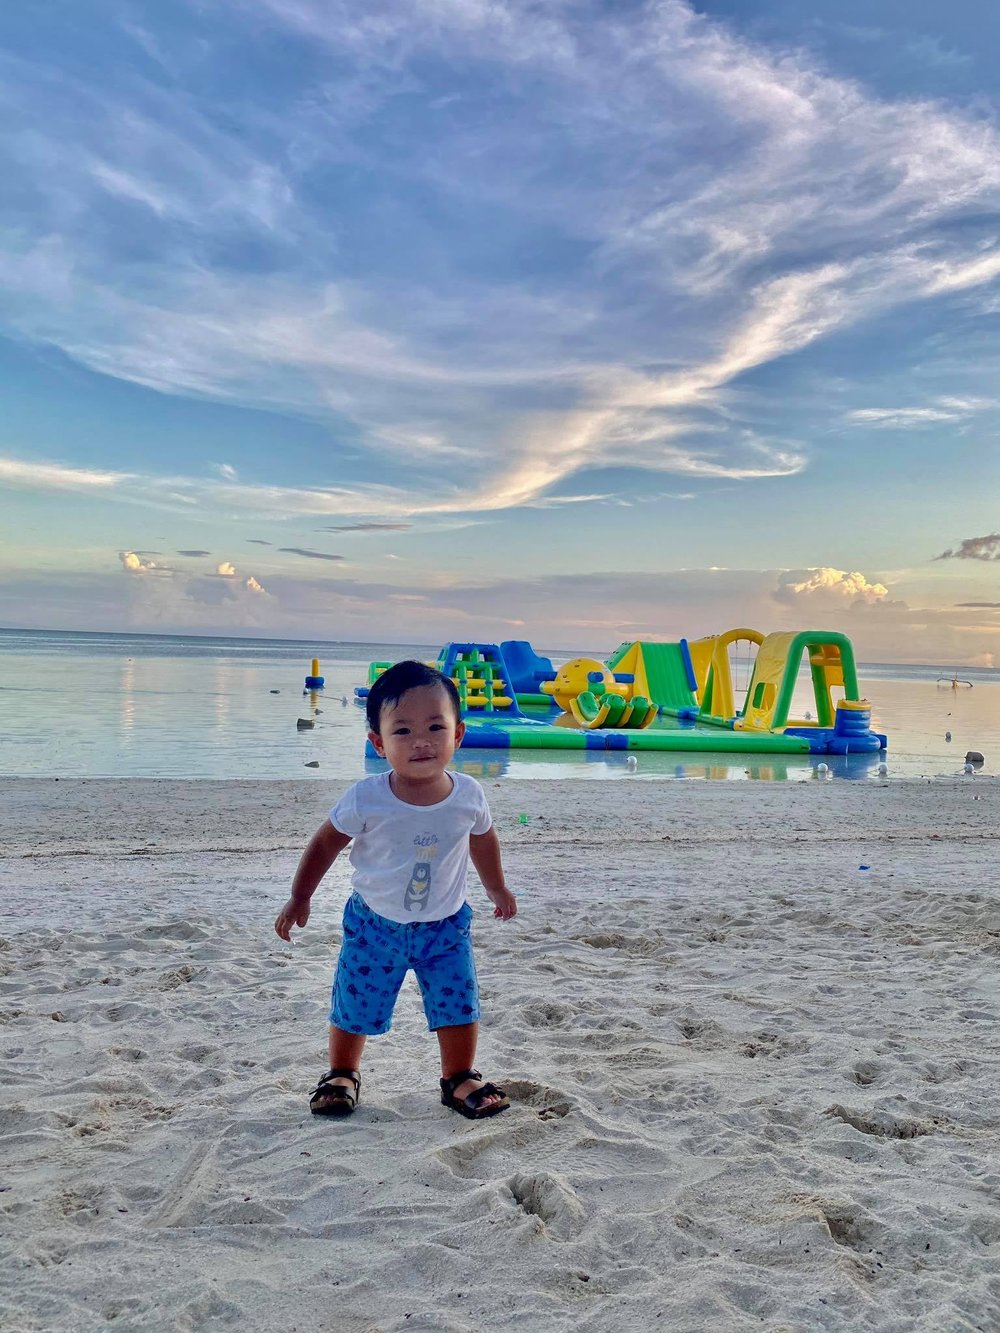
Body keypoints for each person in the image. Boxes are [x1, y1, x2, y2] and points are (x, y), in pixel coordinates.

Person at [274, 659, 518, 1120]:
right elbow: (326, 842)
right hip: (374, 926)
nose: (421, 740)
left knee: (457, 1002)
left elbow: (483, 837)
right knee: (354, 1002)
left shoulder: (467, 794)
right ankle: (342, 1073)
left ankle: (459, 1076)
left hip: (445, 926)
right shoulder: (368, 796)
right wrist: (300, 895)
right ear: (378, 742)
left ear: (458, 735)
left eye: (434, 726)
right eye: (402, 731)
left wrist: (496, 887)